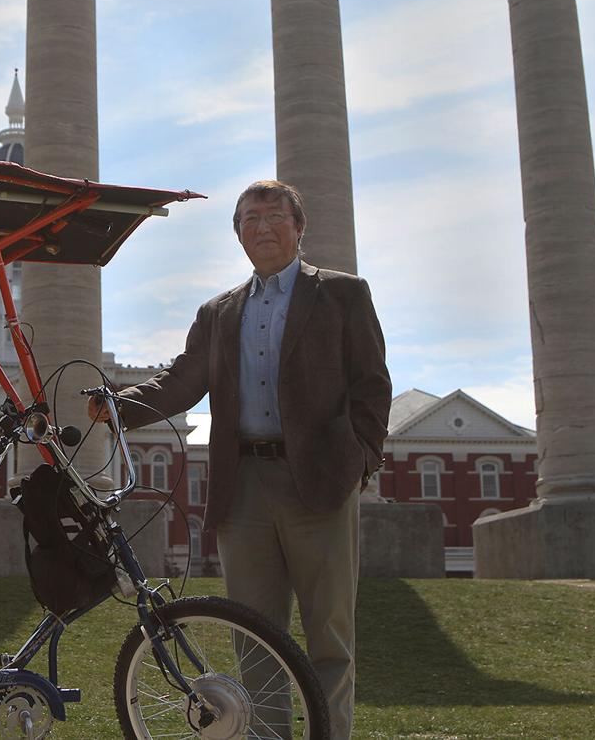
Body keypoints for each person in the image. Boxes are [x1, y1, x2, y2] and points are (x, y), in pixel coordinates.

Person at [89, 180, 390, 739]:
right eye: (249, 220)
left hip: (320, 483)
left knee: (330, 637)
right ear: (238, 235)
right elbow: (182, 381)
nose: (262, 227)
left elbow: (372, 385)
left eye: (275, 216)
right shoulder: (219, 311)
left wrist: (360, 460)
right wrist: (115, 406)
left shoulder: (343, 294)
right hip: (241, 486)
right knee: (253, 635)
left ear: (299, 228)